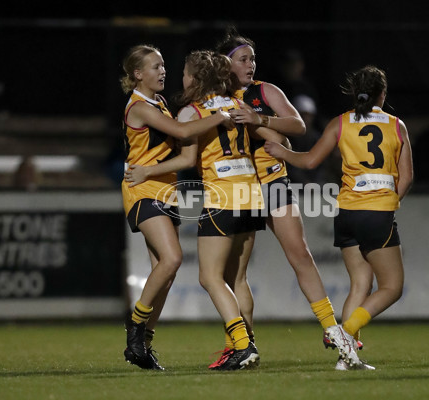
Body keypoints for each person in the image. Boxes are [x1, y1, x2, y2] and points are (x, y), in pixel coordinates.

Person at [212, 26, 348, 369]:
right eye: (243, 59)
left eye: (253, 58)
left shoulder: (264, 91)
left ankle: (333, 329)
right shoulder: (215, 98)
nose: (251, 64)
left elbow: (299, 126)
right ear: (224, 65)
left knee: (300, 254)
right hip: (239, 188)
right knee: (234, 275)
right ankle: (242, 347)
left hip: (272, 181)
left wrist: (261, 119)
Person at [264, 65, 413, 370]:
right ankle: (343, 333)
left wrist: (282, 152)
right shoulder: (396, 126)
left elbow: (308, 161)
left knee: (360, 283)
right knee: (392, 288)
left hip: (346, 213)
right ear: (382, 94)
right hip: (377, 212)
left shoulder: (340, 123)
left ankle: (347, 360)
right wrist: (387, 201)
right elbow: (407, 178)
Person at [119, 44, 232, 370]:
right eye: (155, 66)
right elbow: (183, 131)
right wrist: (218, 116)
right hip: (142, 190)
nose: (163, 71)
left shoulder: (162, 104)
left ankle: (143, 345)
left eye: (164, 65)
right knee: (172, 259)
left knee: (165, 273)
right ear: (137, 74)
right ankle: (135, 325)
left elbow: (184, 156)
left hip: (165, 190)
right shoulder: (139, 107)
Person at [174, 49, 270, 370]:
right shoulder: (237, 105)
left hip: (222, 196)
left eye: (186, 73)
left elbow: (187, 159)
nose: (183, 78)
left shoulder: (193, 111)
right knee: (237, 278)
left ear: (197, 78)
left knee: (210, 277)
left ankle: (242, 345)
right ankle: (244, 346)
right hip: (252, 192)